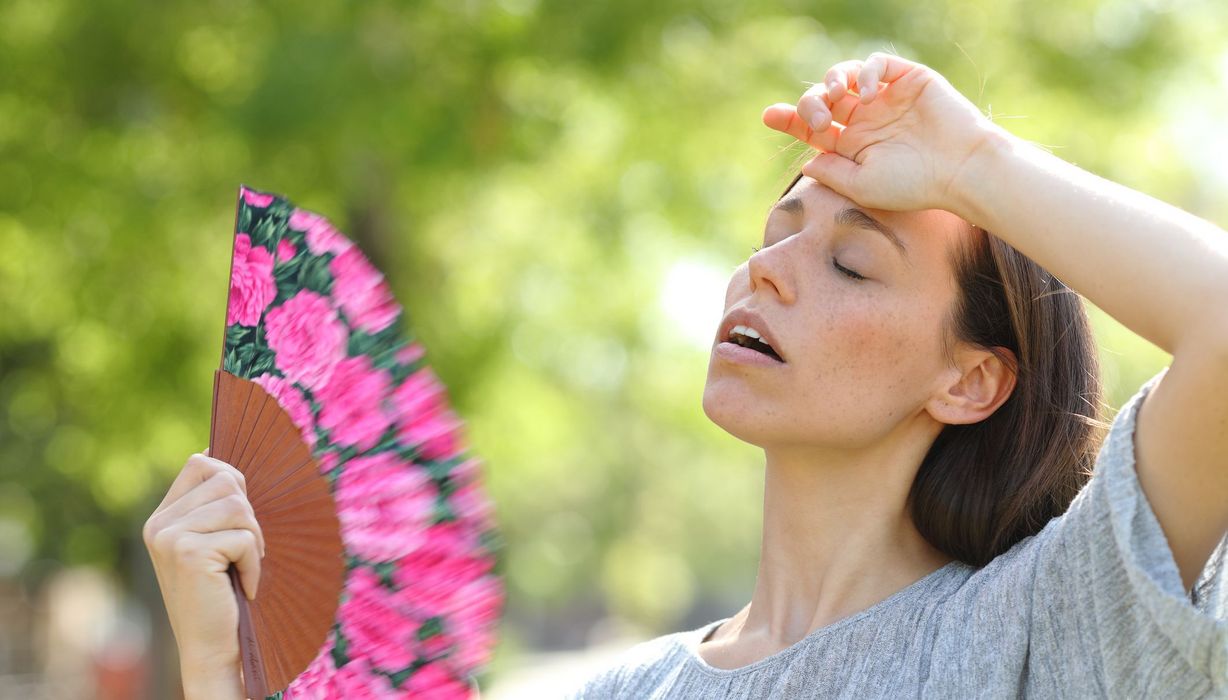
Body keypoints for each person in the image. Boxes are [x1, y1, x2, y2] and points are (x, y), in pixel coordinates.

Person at [566, 52, 1228, 698]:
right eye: (772, 237)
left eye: (850, 264)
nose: (766, 269)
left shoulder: (1039, 630)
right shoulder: (627, 687)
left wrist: (973, 162)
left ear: (971, 382)